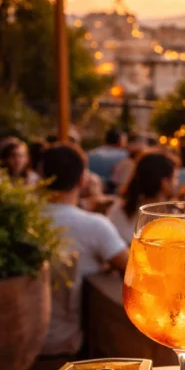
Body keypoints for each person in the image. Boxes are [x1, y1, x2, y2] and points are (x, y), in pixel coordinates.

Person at [39, 143, 129, 357]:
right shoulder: (94, 226)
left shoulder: (22, 221)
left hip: (23, 337)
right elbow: (133, 269)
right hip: (67, 342)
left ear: (41, 178)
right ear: (82, 180)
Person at [106, 150, 179, 243]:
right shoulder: (174, 218)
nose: (177, 183)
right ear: (164, 182)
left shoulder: (118, 210)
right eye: (175, 177)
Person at [87, 127, 128, 193]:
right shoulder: (124, 156)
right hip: (110, 191)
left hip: (89, 189)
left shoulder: (91, 153)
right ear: (121, 141)